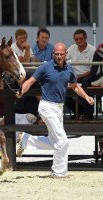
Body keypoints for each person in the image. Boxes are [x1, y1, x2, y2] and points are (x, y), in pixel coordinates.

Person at [16, 42, 94, 178]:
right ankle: (58, 172)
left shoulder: (69, 69)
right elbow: (30, 81)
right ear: (53, 54)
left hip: (59, 109)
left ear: (66, 55)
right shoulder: (45, 67)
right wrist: (22, 91)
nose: (58, 56)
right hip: (46, 107)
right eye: (56, 54)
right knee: (63, 141)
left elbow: (75, 86)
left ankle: (26, 139)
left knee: (54, 142)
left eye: (61, 54)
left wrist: (86, 96)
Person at [65, 29, 96, 120]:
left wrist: (79, 76)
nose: (78, 41)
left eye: (81, 39)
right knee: (63, 89)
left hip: (87, 76)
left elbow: (93, 70)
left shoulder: (92, 50)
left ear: (86, 38)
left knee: (85, 81)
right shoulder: (72, 48)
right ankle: (80, 112)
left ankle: (88, 115)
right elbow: (63, 59)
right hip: (74, 77)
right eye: (76, 39)